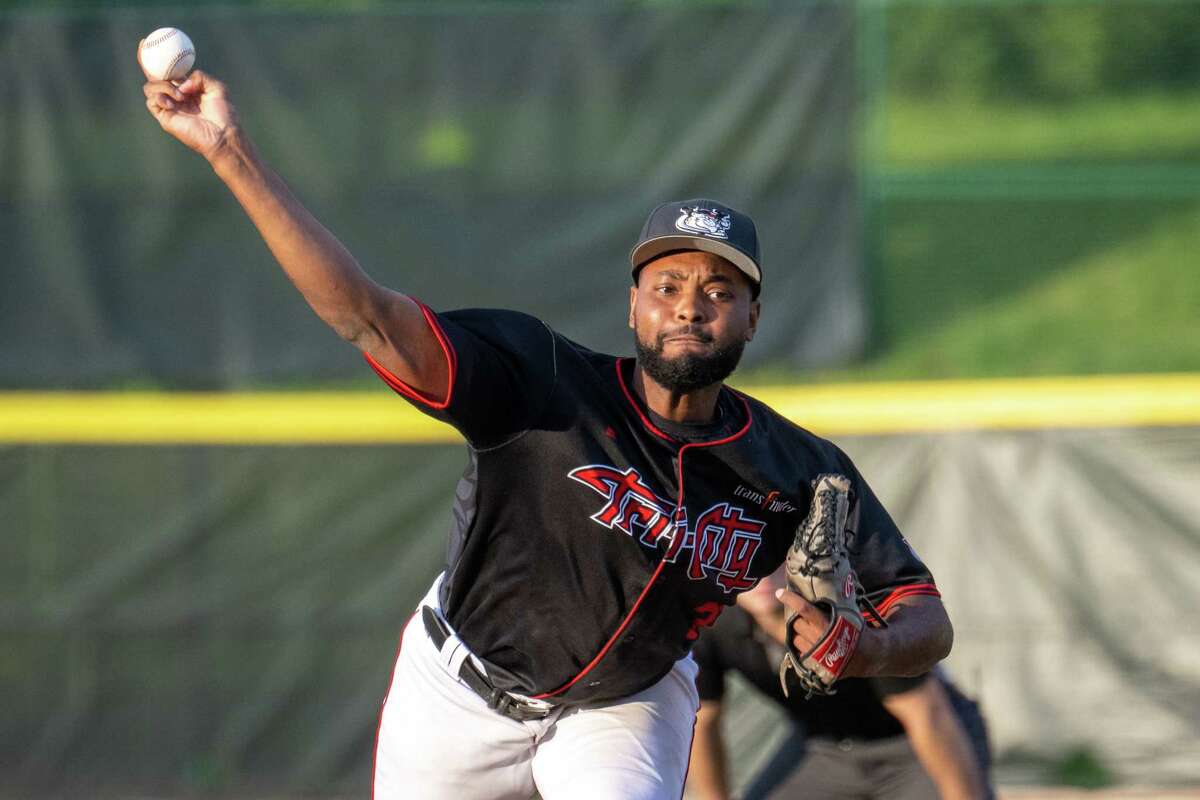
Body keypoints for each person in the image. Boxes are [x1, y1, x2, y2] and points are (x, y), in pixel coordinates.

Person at [140, 67, 954, 800]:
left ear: (753, 317)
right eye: (667, 283)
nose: (690, 303)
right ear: (633, 304)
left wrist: (867, 648)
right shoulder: (541, 383)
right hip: (458, 690)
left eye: (719, 288)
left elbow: (925, 618)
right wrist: (230, 154)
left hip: (625, 707)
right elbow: (366, 316)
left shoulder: (793, 467)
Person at [689, 571, 991, 800]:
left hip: (914, 746)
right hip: (824, 750)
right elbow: (703, 722)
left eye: (771, 555)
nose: (762, 574)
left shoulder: (851, 610)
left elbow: (927, 716)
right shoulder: (715, 623)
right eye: (751, 560)